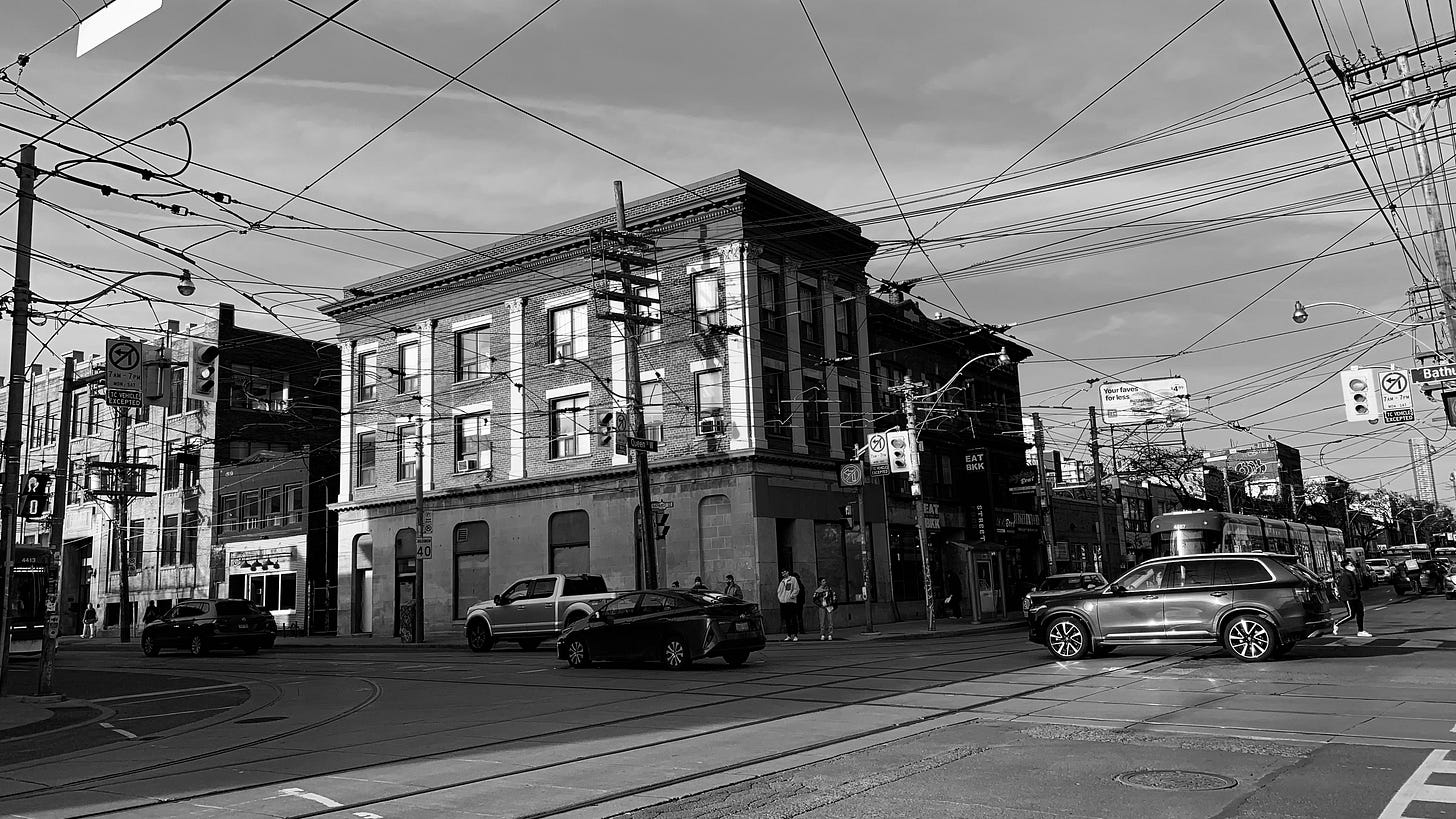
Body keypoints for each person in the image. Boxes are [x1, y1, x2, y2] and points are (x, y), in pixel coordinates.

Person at [1333, 558, 1371, 637]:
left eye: (1353, 564)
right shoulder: (1346, 575)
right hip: (1349, 598)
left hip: (1355, 598)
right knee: (1351, 614)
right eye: (1351, 565)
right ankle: (1337, 623)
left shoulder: (1351, 574)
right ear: (1346, 566)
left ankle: (1361, 631)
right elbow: (1345, 587)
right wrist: (1352, 594)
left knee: (1360, 613)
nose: (1353, 566)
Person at [776, 570, 802, 641]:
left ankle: (795, 635)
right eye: (782, 573)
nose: (784, 574)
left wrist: (792, 596)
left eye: (785, 572)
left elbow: (796, 589)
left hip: (791, 602)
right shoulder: (782, 581)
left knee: (793, 618)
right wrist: (781, 598)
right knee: (787, 619)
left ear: (788, 572)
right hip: (784, 602)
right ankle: (789, 634)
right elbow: (779, 591)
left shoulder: (793, 579)